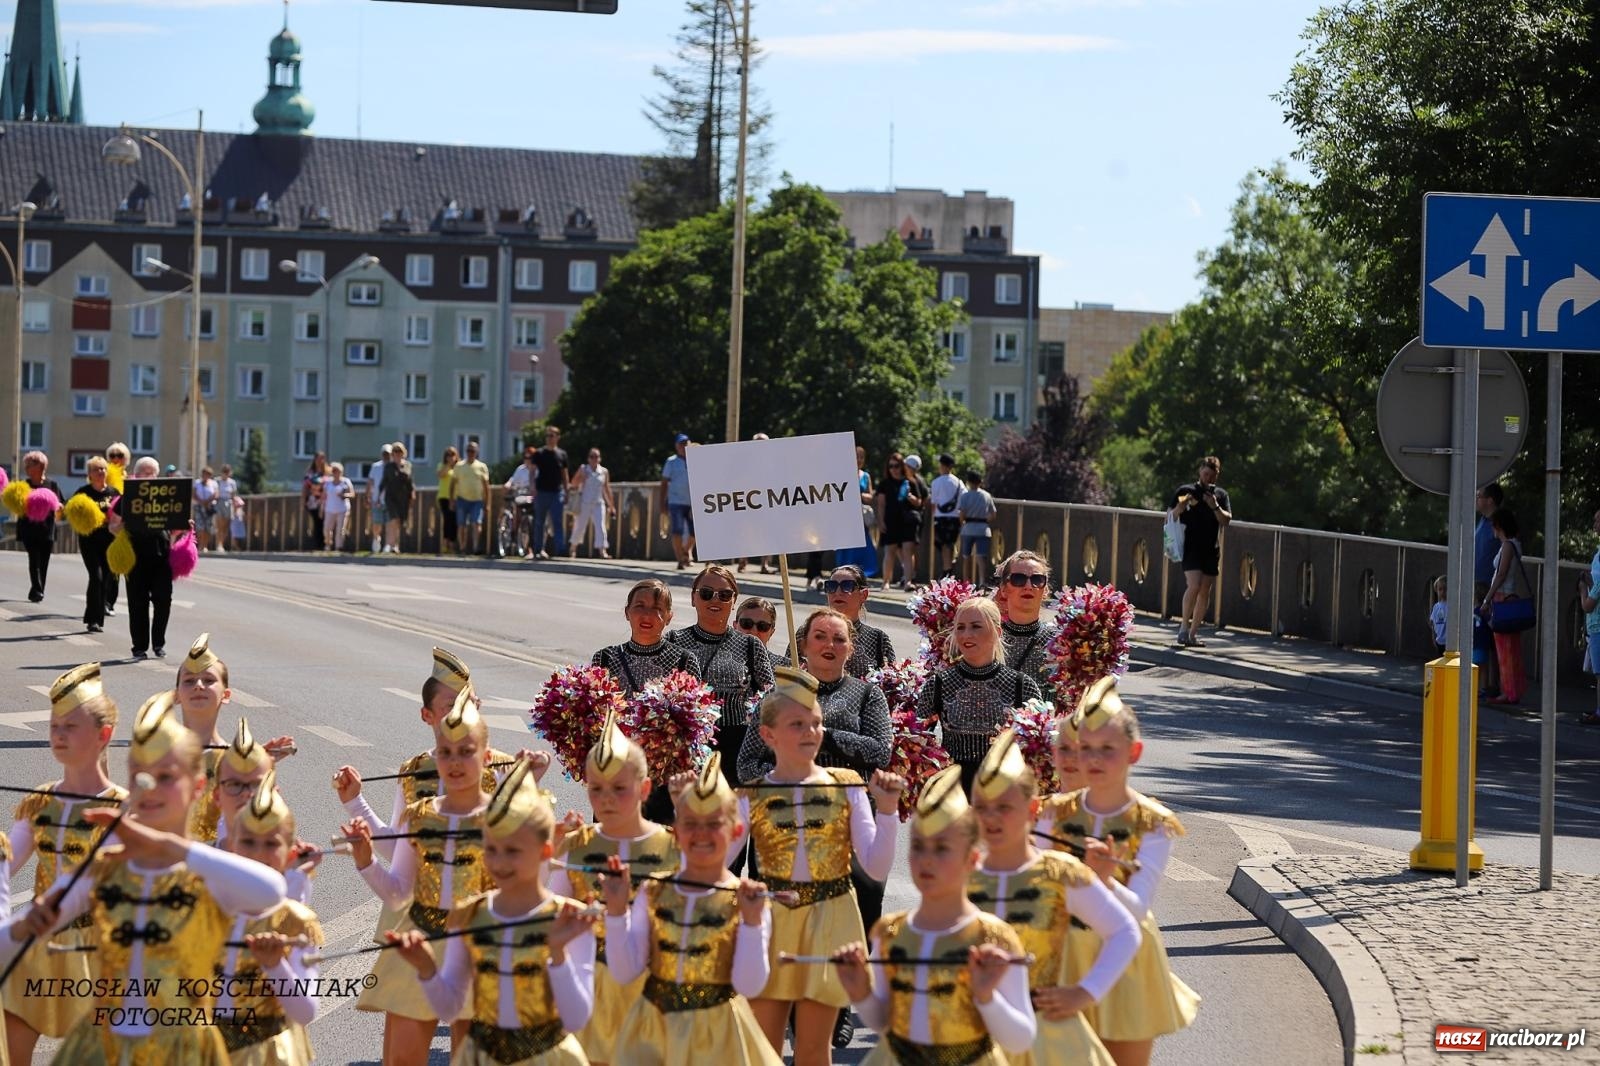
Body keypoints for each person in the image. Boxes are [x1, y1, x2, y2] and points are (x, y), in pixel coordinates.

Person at [0, 690, 287, 1065]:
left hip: (180, 1048)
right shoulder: (105, 870)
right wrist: (24, 927)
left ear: (199, 787)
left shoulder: (206, 870)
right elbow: (9, 943)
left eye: (165, 776)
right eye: (139, 776)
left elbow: (270, 890)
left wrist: (171, 847)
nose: (149, 787)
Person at [736, 668, 903, 1066]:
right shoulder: (753, 793)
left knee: (813, 1051)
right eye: (797, 724)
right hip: (772, 924)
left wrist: (888, 811)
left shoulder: (845, 786)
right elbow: (716, 865)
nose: (811, 732)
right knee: (763, 1050)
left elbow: (876, 868)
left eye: (816, 723)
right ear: (768, 735)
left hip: (831, 919)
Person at [390, 758, 598, 1066]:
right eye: (491, 849)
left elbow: (576, 1019)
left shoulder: (568, 918)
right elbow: (451, 1008)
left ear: (545, 851)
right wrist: (427, 970)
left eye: (513, 851)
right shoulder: (470, 915)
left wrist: (556, 953)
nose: (499, 863)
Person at [1037, 678, 1199, 1065]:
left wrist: (1104, 879)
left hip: (1127, 959)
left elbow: (1138, 909)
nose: (1093, 760)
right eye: (1086, 748)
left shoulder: (1153, 823)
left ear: (1134, 752)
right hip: (1063, 956)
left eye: (1108, 750)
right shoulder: (1053, 813)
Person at [831, 763, 1037, 1065]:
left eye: (942, 849)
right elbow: (883, 1020)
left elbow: (1021, 1037)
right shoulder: (890, 932)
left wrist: (987, 997)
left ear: (972, 858)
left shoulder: (992, 937)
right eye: (918, 847)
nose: (926, 861)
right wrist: (860, 992)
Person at [967, 730, 1141, 1066]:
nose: (991, 818)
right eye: (982, 807)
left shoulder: (1059, 872)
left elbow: (1124, 931)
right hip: (974, 1032)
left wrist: (1085, 992)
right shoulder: (961, 873)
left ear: (1033, 808)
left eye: (1004, 807)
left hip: (1049, 1036)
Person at [346, 688, 497, 1066]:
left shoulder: (506, 820)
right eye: (445, 752)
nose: (455, 762)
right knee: (401, 1060)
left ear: (488, 758)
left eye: (467, 751)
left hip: (479, 950)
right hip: (421, 942)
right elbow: (398, 893)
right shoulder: (420, 815)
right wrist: (365, 860)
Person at [601, 755, 783, 1066]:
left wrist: (753, 924)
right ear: (675, 829)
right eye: (690, 824)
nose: (701, 833)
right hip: (653, 1028)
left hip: (717, 1033)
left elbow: (749, 985)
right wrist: (617, 913)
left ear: (736, 831)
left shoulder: (745, 899)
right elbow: (625, 971)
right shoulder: (654, 890)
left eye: (714, 824)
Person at [2, 664, 125, 1066]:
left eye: (71, 726)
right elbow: (7, 861)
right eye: (55, 725)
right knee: (10, 1045)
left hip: (98, 955)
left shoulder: (124, 809)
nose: (58, 734)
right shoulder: (40, 801)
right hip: (38, 947)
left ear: (103, 735)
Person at [550, 712, 683, 1065]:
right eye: (596, 789)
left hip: (655, 988)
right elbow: (550, 909)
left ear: (644, 788)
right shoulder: (577, 845)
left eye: (619, 788)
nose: (606, 799)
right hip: (590, 985)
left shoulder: (672, 847)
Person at [215, 770, 326, 1065]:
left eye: (271, 844)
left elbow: (305, 1011)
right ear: (232, 845)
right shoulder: (206, 907)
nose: (258, 855)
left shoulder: (297, 922)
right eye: (248, 842)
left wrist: (275, 965)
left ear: (290, 853)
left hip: (267, 1054)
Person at [592, 581, 702, 826]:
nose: (647, 615)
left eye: (657, 608)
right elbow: (593, 719)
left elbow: (695, 723)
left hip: (663, 779)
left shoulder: (684, 660)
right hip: (616, 771)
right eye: (639, 606)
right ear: (627, 612)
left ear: (669, 617)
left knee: (656, 851)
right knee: (611, 847)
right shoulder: (605, 657)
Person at [917, 597, 1042, 795]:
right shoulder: (938, 683)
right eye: (961, 627)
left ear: (998, 632)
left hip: (1003, 793)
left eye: (976, 627)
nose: (967, 634)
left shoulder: (1022, 685)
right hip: (952, 794)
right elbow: (917, 740)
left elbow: (1039, 749)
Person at [668, 565, 776, 789]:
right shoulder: (674, 640)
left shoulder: (750, 644)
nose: (715, 600)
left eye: (725, 595)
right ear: (693, 598)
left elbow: (770, 700)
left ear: (734, 600)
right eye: (706, 593)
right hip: (688, 749)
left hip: (737, 750)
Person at [111, 456, 176, 659]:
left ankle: (158, 643)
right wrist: (124, 524)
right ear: (136, 475)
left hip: (161, 555)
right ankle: (139, 647)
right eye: (144, 474)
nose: (148, 477)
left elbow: (175, 528)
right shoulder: (127, 497)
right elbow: (113, 527)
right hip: (134, 556)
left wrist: (184, 526)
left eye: (152, 474)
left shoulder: (166, 496)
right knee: (137, 603)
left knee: (163, 600)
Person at [784, 565, 896, 678]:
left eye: (847, 586)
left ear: (863, 595)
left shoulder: (878, 639)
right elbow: (786, 676)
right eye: (831, 586)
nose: (837, 592)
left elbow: (891, 685)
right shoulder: (807, 633)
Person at [1170, 456, 1232, 648]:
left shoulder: (1220, 495)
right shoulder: (1186, 491)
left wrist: (1214, 505)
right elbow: (1170, 516)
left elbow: (1226, 520)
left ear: (1217, 476)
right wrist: (1180, 508)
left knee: (1205, 590)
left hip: (1211, 549)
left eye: (1212, 476)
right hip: (1191, 547)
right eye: (1205, 474)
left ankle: (1193, 634)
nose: (1208, 479)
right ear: (1200, 471)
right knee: (1194, 585)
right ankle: (1182, 629)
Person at [1480, 508, 1530, 706]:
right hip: (1509, 597)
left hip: (1503, 598)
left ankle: (1508, 692)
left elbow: (1500, 575)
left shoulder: (1508, 546)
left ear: (1499, 526)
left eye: (1494, 524)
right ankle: (1513, 690)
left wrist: (1486, 600)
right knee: (1511, 648)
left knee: (1505, 649)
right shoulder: (1513, 544)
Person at [995, 550, 1059, 700]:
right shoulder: (989, 638)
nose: (1028, 586)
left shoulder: (1059, 642)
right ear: (1004, 589)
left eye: (1037, 579)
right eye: (1018, 579)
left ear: (1046, 590)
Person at [72, 457, 117, 633]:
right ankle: (92, 619)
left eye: (103, 469)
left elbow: (122, 513)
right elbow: (73, 513)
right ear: (89, 474)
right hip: (89, 541)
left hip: (109, 541)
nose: (100, 472)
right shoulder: (83, 493)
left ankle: (97, 618)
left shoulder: (114, 493)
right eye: (96, 469)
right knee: (96, 577)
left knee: (105, 579)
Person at [14, 450, 63, 603]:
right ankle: (37, 589)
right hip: (28, 527)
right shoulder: (24, 486)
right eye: (26, 465)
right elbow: (16, 505)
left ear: (41, 466)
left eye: (30, 464)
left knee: (44, 561)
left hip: (47, 528)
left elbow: (60, 504)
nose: (27, 468)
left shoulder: (52, 485)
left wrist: (59, 507)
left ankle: (37, 588)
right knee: (34, 558)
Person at [1474, 483, 1505, 698]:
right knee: (1482, 636)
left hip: (1491, 588)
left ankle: (1494, 684)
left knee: (1493, 637)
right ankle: (1486, 683)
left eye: (1480, 495)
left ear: (1490, 500)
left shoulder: (1498, 522)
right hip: (1478, 588)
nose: (1476, 498)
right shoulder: (1482, 521)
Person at [875, 452, 922, 591]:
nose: (893, 469)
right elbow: (881, 504)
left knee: (908, 552)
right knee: (890, 551)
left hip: (907, 520)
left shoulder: (910, 482)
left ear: (902, 466)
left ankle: (908, 581)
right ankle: (885, 582)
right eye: (891, 466)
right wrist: (881, 521)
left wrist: (909, 496)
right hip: (891, 520)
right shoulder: (884, 484)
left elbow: (919, 502)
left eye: (896, 466)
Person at [834, 445, 880, 579]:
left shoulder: (865, 476)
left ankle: (860, 575)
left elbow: (870, 497)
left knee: (863, 548)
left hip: (860, 518)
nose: (859, 460)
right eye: (856, 457)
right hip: (846, 516)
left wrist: (859, 494)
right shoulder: (843, 474)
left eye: (861, 457)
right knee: (846, 548)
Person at [532, 425, 571, 559]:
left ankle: (560, 549)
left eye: (552, 436)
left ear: (557, 438)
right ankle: (538, 548)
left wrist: (567, 491)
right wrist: (533, 487)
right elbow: (532, 471)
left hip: (556, 492)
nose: (549, 438)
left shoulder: (562, 454)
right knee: (540, 522)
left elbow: (565, 474)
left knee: (557, 521)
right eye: (547, 436)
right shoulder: (539, 453)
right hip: (542, 491)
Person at [569, 446, 614, 559]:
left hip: (598, 502)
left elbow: (606, 488)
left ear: (600, 458)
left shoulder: (603, 471)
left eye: (596, 456)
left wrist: (611, 505)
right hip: (585, 502)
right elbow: (573, 483)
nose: (594, 459)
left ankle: (602, 550)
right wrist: (581, 479)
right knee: (580, 526)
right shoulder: (584, 469)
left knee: (600, 527)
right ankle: (573, 548)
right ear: (588, 458)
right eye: (592, 456)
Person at [659, 433, 696, 569]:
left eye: (686, 443)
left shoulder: (696, 460)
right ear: (676, 446)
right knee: (677, 530)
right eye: (681, 444)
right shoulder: (671, 461)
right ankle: (680, 559)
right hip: (675, 501)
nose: (684, 446)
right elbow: (664, 483)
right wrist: (662, 503)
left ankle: (686, 550)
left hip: (692, 502)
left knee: (695, 531)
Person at [1579, 506, 1600, 727]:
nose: (1594, 525)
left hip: (1597, 620)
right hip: (1595, 622)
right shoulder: (1598, 552)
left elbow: (1589, 602)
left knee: (1599, 672)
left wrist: (1584, 591)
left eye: (1597, 521)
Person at [104, 442, 131, 613]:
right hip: (107, 524)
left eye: (119, 455)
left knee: (118, 565)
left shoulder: (129, 478)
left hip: (123, 525)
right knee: (106, 566)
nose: (115, 459)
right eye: (112, 455)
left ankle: (110, 601)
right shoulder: (104, 473)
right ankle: (104, 600)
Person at [957, 471, 998, 586]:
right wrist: (985, 520)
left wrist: (963, 523)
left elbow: (962, 513)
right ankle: (982, 582)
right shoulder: (986, 495)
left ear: (969, 482)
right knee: (981, 557)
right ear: (980, 482)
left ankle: (966, 582)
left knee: (966, 556)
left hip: (968, 528)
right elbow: (993, 514)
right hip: (983, 528)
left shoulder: (965, 496)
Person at [452, 439, 492, 556]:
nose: (471, 453)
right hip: (461, 498)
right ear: (466, 452)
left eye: (473, 451)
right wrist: (451, 499)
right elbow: (453, 484)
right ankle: (462, 547)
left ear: (477, 452)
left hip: (477, 500)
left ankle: (476, 547)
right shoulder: (459, 466)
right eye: (469, 451)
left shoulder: (482, 466)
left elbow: (486, 486)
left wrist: (488, 502)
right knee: (461, 524)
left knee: (476, 523)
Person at [929, 454, 964, 579]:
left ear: (943, 465)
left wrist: (934, 517)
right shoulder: (959, 482)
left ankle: (946, 569)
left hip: (940, 517)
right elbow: (962, 501)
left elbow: (933, 503)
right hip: (955, 517)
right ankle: (949, 566)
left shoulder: (936, 482)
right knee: (951, 543)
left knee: (942, 545)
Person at [505, 447, 541, 558]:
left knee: (535, 521)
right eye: (526, 457)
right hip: (521, 496)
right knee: (518, 510)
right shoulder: (520, 469)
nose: (528, 460)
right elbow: (513, 480)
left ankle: (533, 547)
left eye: (530, 458)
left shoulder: (538, 470)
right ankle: (515, 532)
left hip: (533, 498)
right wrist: (508, 484)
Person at [381, 441, 416, 554]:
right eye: (395, 451)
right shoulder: (389, 466)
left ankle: (395, 545)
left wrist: (412, 493)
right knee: (393, 519)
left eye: (399, 451)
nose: (397, 454)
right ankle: (390, 544)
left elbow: (410, 481)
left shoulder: (407, 465)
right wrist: (377, 496)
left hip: (403, 497)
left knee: (399, 522)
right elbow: (384, 481)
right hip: (391, 496)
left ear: (403, 453)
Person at [321, 461, 355, 552]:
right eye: (333, 471)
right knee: (327, 528)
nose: (335, 473)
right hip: (329, 508)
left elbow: (352, 494)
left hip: (342, 508)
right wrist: (321, 507)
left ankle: (338, 547)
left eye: (337, 470)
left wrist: (344, 495)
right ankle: (328, 544)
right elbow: (324, 496)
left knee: (341, 528)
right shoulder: (328, 483)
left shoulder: (345, 481)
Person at [300, 451, 328, 551]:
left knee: (326, 522)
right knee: (318, 522)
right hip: (313, 502)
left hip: (326, 502)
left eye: (322, 458)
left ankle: (326, 543)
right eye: (318, 458)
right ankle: (318, 544)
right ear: (315, 460)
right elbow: (305, 488)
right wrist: (303, 501)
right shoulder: (310, 473)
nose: (320, 461)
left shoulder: (327, 472)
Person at [435, 445, 460, 555]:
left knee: (455, 521)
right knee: (447, 520)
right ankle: (445, 544)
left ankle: (452, 544)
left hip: (456, 497)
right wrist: (448, 465)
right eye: (448, 455)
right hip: (444, 497)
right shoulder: (442, 465)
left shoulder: (459, 467)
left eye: (452, 455)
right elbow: (440, 475)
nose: (450, 457)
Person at [369, 443, 392, 554]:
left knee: (388, 524)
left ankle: (387, 545)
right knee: (376, 523)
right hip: (377, 499)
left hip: (390, 500)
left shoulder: (393, 467)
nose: (386, 456)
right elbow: (370, 482)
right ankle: (376, 538)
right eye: (384, 454)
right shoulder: (376, 466)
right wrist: (367, 496)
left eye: (388, 454)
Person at [192, 466, 219, 552]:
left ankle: (205, 545)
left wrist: (207, 501)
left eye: (207, 474)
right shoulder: (197, 483)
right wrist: (201, 502)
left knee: (208, 527)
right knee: (200, 526)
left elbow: (216, 494)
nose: (205, 476)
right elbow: (194, 494)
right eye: (204, 474)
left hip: (209, 507)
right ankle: (200, 544)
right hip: (199, 506)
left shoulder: (213, 483)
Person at [214, 463, 238, 552]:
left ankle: (222, 543)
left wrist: (236, 507)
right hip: (220, 502)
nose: (225, 474)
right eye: (224, 472)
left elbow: (233, 495)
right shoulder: (217, 481)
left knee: (226, 526)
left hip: (229, 503)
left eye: (227, 472)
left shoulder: (232, 482)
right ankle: (219, 544)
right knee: (220, 524)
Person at [1429, 577, 1449, 658]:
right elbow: (1432, 623)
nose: (1443, 592)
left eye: (1445, 589)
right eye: (1440, 589)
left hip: (1449, 641)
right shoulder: (1436, 607)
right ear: (1436, 591)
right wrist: (1434, 638)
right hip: (1439, 641)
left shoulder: (1451, 605)